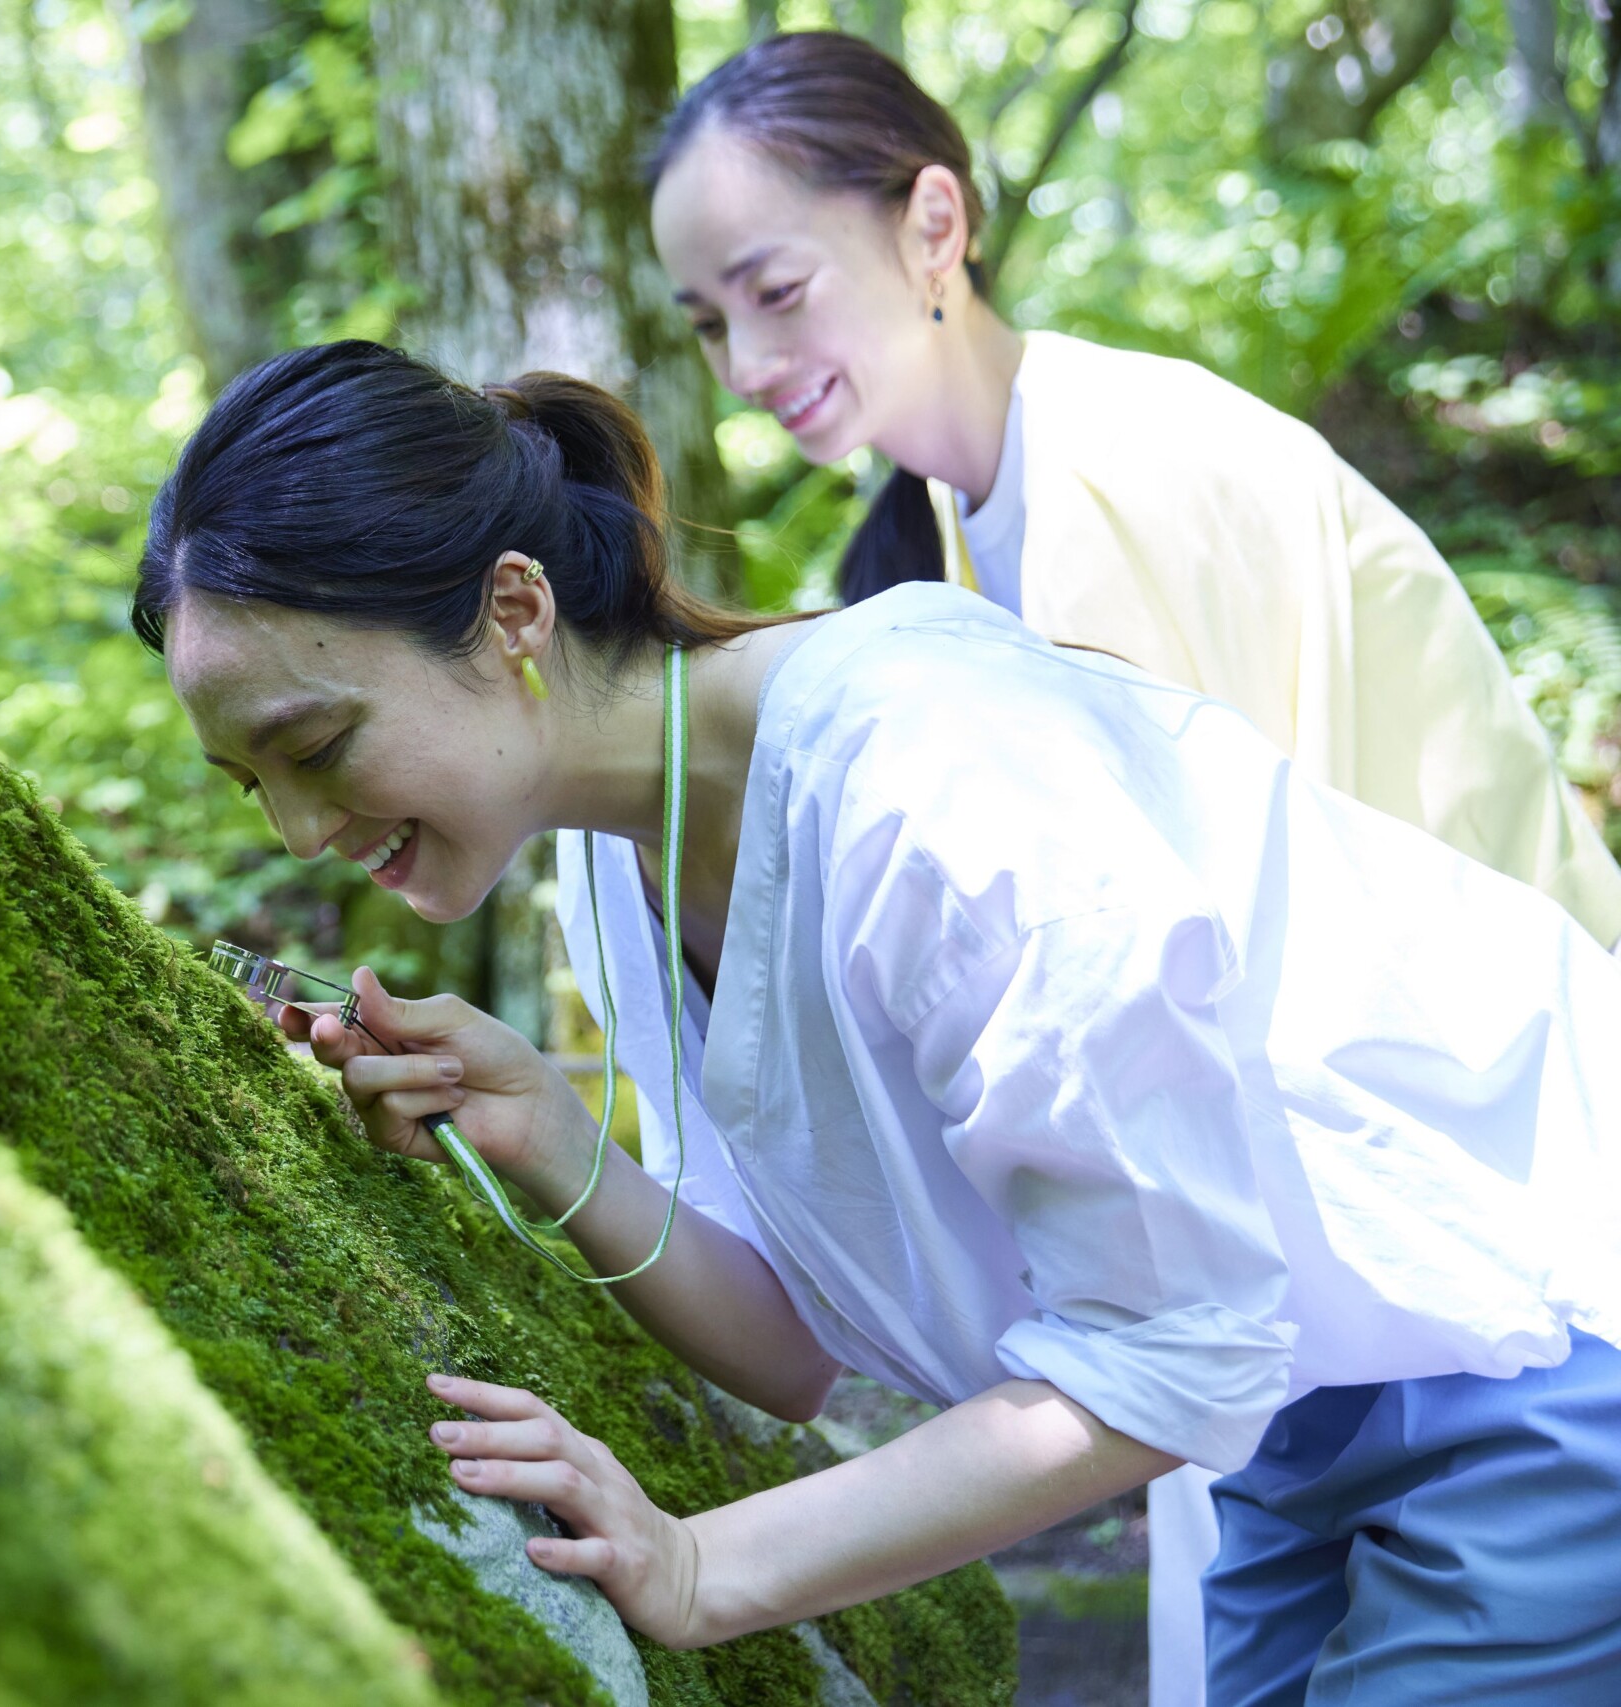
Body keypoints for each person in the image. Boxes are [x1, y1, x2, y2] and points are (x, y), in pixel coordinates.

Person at [136, 339, 1621, 1704]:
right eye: (247, 783)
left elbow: (1171, 1354)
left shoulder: (934, 777)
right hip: (1316, 1408)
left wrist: (702, 1565)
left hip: (1538, 1328)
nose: (296, 830)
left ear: (514, 608)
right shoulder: (616, 861)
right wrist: (545, 1130)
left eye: (315, 747)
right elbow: (793, 1344)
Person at [638, 35, 1621, 1691]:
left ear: (932, 224)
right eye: (707, 322)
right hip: (1397, 1264)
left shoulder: (1126, 478)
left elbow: (1200, 1069)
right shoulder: (982, 517)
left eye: (773, 289)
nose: (744, 360)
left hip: (1513, 1241)